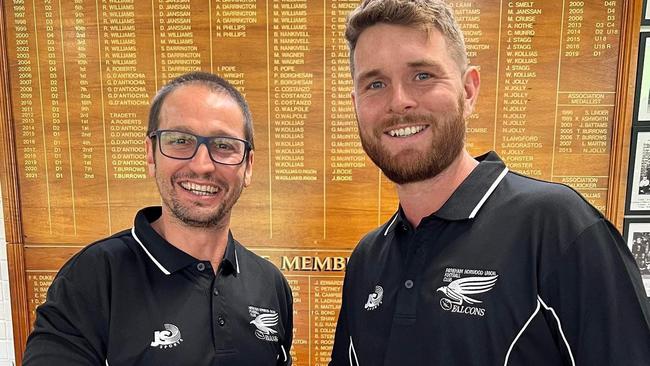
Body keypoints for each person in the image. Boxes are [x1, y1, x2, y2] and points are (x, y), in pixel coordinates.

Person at [329, 0, 650, 365]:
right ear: (356, 104)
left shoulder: (559, 228)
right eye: (376, 83)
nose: (398, 101)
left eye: (422, 76)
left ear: (468, 90)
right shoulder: (367, 259)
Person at [23, 72, 293, 365]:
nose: (202, 165)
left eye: (224, 145)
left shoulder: (270, 284)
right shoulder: (93, 277)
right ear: (151, 155)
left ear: (248, 166)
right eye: (180, 140)